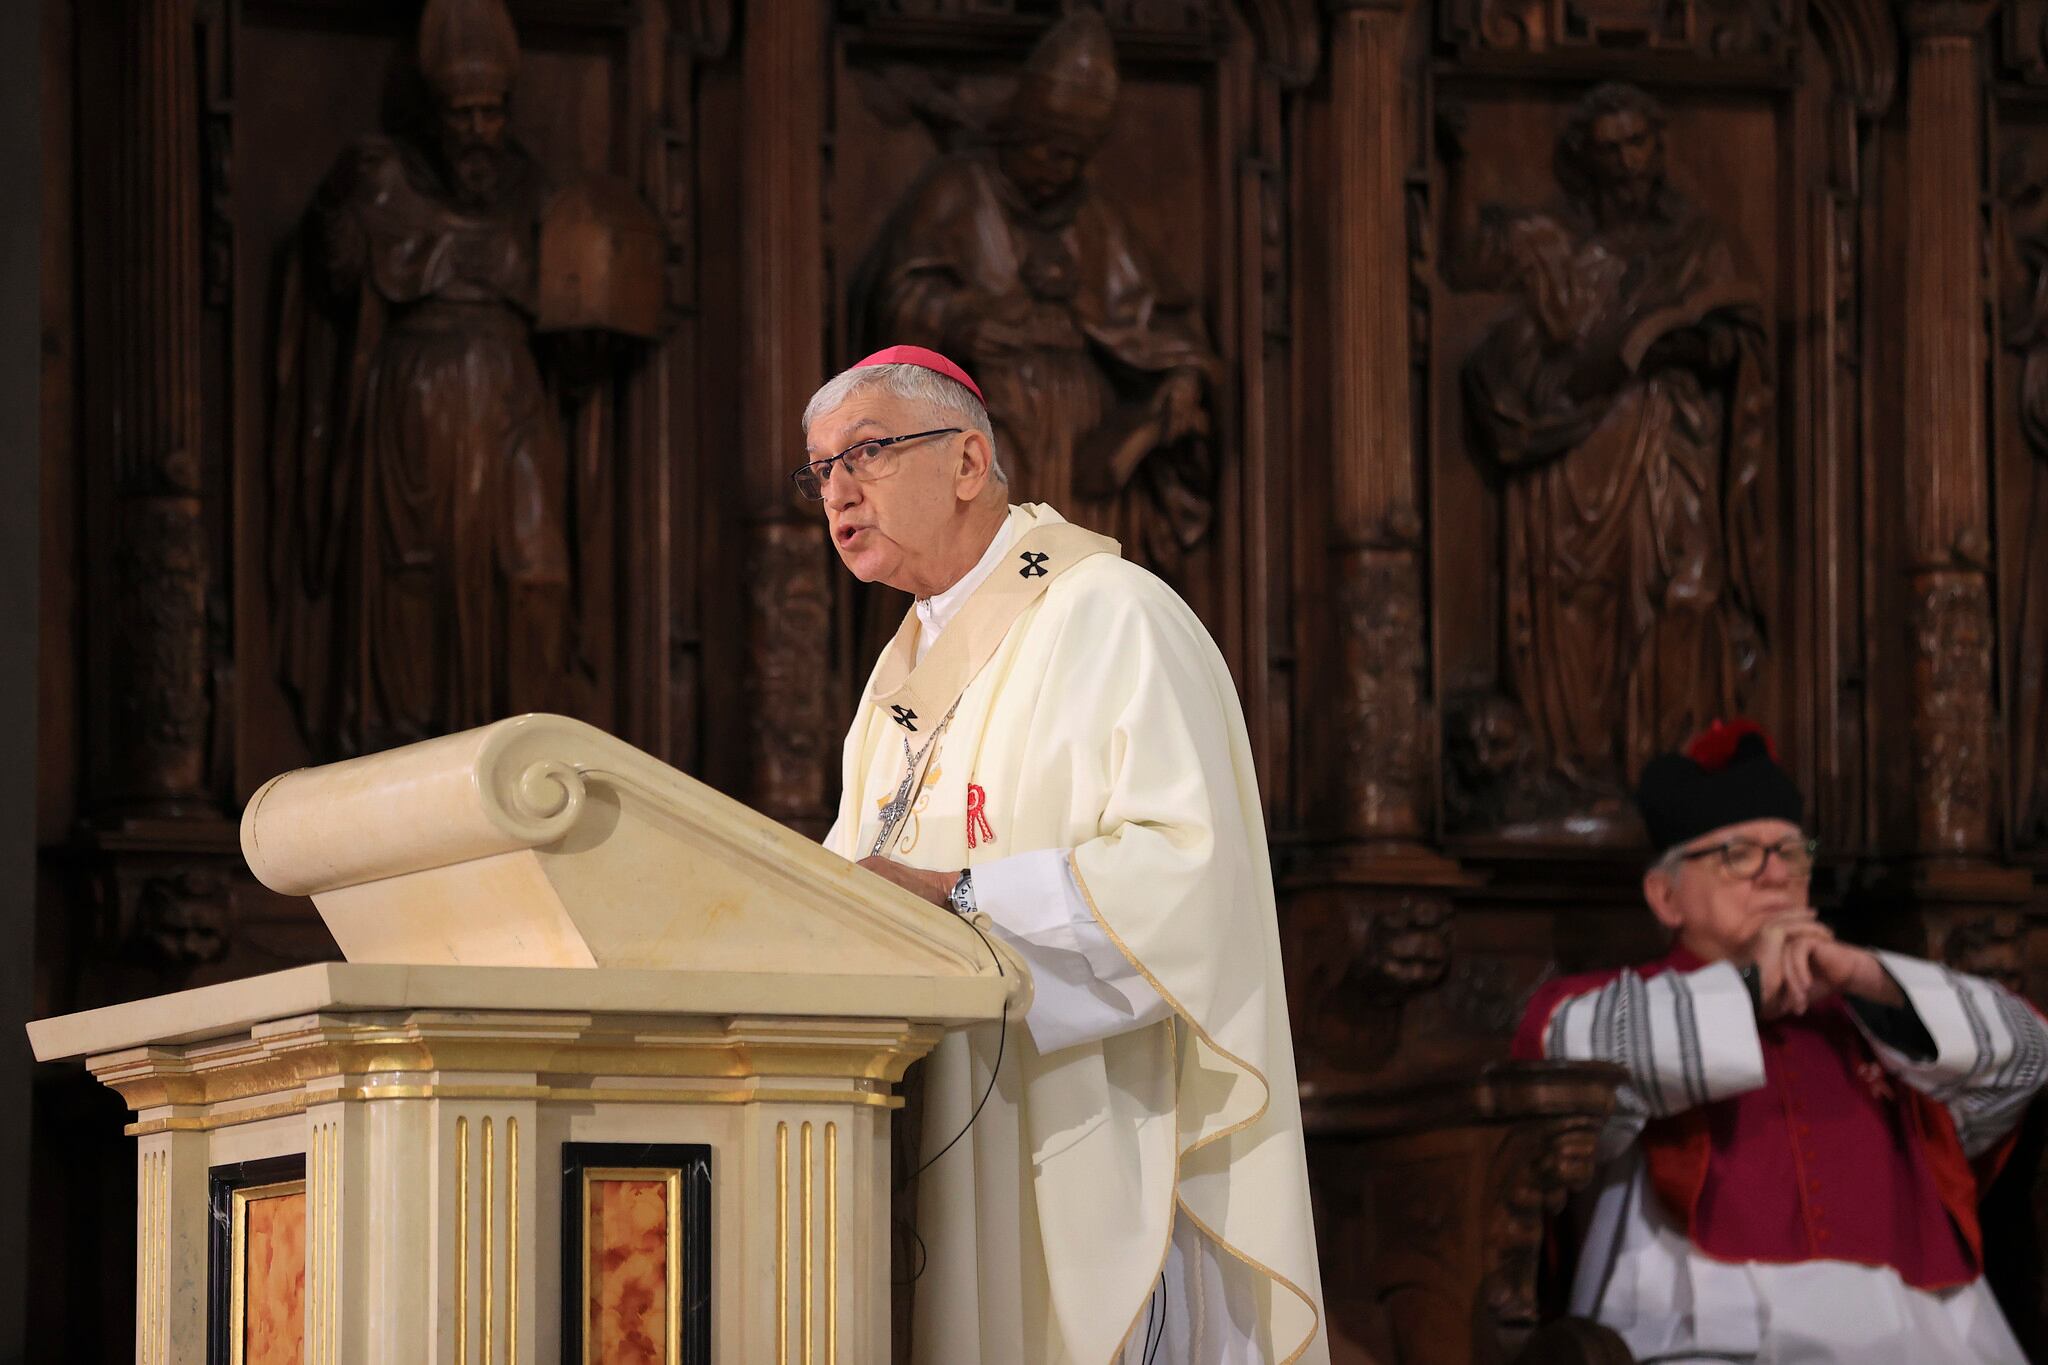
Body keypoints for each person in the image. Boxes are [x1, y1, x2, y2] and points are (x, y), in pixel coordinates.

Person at [807, 344, 1325, 1363]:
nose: (837, 490)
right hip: (944, 1135)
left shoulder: (1111, 616)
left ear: (967, 462)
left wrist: (958, 895)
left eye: (863, 453)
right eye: (819, 469)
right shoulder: (896, 683)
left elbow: (1187, 885)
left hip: (1098, 1149)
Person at [1514, 718, 2048, 1362]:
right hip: (1701, 1333)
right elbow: (1558, 1062)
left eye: (1791, 853)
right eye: (1738, 854)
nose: (1774, 876)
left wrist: (1870, 977)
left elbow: (2029, 1055)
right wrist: (1744, 991)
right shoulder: (1617, 1002)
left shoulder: (1875, 1013)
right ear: (1665, 896)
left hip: (1912, 1334)